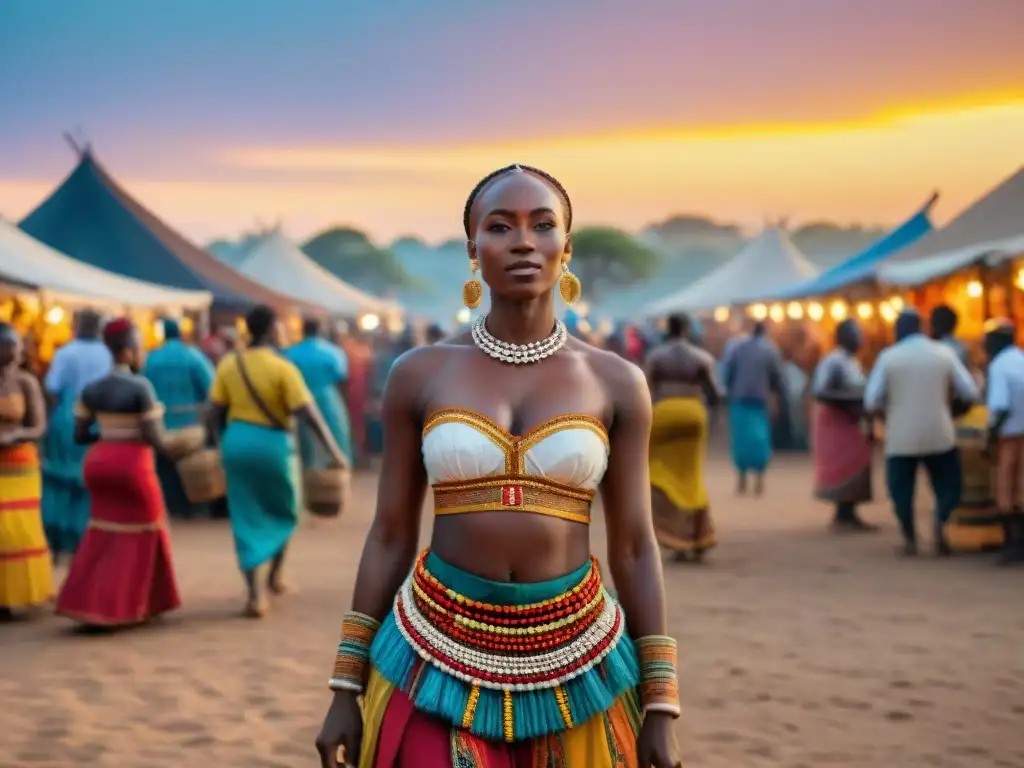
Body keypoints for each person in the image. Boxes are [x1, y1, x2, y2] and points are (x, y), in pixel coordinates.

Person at [315, 164, 680, 768]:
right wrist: (344, 686)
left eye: (542, 225)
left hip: (582, 658)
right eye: (500, 226)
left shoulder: (617, 382)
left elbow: (637, 547)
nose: (522, 241)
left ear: (567, 246)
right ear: (472, 249)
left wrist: (662, 703)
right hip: (431, 653)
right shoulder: (419, 373)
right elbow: (389, 533)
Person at [207, 305, 346, 618]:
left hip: (237, 443)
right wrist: (335, 451)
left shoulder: (230, 363)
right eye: (281, 326)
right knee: (286, 508)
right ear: (271, 330)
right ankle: (274, 576)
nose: (284, 331)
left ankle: (255, 594)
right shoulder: (283, 368)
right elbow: (310, 415)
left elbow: (212, 410)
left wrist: (218, 445)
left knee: (244, 514)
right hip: (273, 445)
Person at [55, 318, 182, 627]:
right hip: (132, 464)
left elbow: (81, 435)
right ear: (126, 353)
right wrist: (176, 449)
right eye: (139, 347)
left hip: (99, 462)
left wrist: (109, 437)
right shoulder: (141, 387)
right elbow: (154, 437)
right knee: (147, 528)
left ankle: (86, 602)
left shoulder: (91, 389)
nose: (142, 353)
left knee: (103, 529)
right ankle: (133, 605)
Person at [864, 310, 979, 556]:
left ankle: (909, 537)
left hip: (900, 435)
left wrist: (887, 417)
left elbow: (871, 399)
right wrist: (950, 410)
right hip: (939, 431)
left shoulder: (888, 357)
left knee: (901, 490)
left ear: (898, 330)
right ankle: (940, 521)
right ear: (922, 328)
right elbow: (970, 391)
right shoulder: (943, 353)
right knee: (949, 485)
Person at [645, 312, 723, 562]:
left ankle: (674, 535)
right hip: (693, 415)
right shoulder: (702, 357)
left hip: (664, 414)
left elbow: (645, 390)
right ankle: (699, 536)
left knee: (657, 473)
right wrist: (714, 419)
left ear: (668, 329)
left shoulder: (657, 356)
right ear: (688, 329)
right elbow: (715, 393)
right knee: (692, 477)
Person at [41, 309, 112, 559]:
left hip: (65, 420)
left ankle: (55, 539)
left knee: (57, 480)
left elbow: (52, 388)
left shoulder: (65, 353)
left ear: (77, 325)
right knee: (87, 481)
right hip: (97, 421)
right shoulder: (107, 354)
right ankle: (82, 541)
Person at [0, 323, 52, 618]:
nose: (18, 350)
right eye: (12, 345)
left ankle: (19, 593)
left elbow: (39, 426)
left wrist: (15, 436)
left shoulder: (26, 382)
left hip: (20, 465)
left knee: (17, 528)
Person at [142, 318, 216, 518]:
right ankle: (196, 512)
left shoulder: (150, 359)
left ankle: (171, 512)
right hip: (191, 429)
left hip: (160, 429)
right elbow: (212, 390)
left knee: (165, 475)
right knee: (194, 474)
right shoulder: (193, 356)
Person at [810, 319, 877, 531]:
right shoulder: (833, 361)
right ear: (842, 337)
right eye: (855, 334)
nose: (859, 338)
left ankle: (850, 511)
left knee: (858, 464)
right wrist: (851, 402)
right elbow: (820, 391)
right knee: (842, 466)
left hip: (852, 422)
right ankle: (842, 513)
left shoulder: (853, 362)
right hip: (836, 423)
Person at [284, 317, 355, 466]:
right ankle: (335, 473)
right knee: (335, 437)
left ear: (302, 331)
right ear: (321, 331)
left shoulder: (290, 353)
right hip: (329, 400)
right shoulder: (334, 352)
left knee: (303, 443)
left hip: (298, 400)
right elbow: (343, 380)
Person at [982, 319, 1024, 564]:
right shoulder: (1021, 358)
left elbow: (1000, 406)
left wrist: (990, 436)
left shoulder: (998, 365)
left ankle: (1011, 544)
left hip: (1008, 435)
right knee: (1022, 488)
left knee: (1005, 489)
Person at [723, 320, 781, 495]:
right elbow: (777, 379)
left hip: (739, 400)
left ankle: (741, 481)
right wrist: (776, 399)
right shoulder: (770, 350)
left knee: (741, 441)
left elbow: (727, 374)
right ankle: (759, 481)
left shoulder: (737, 348)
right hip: (759, 401)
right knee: (760, 441)